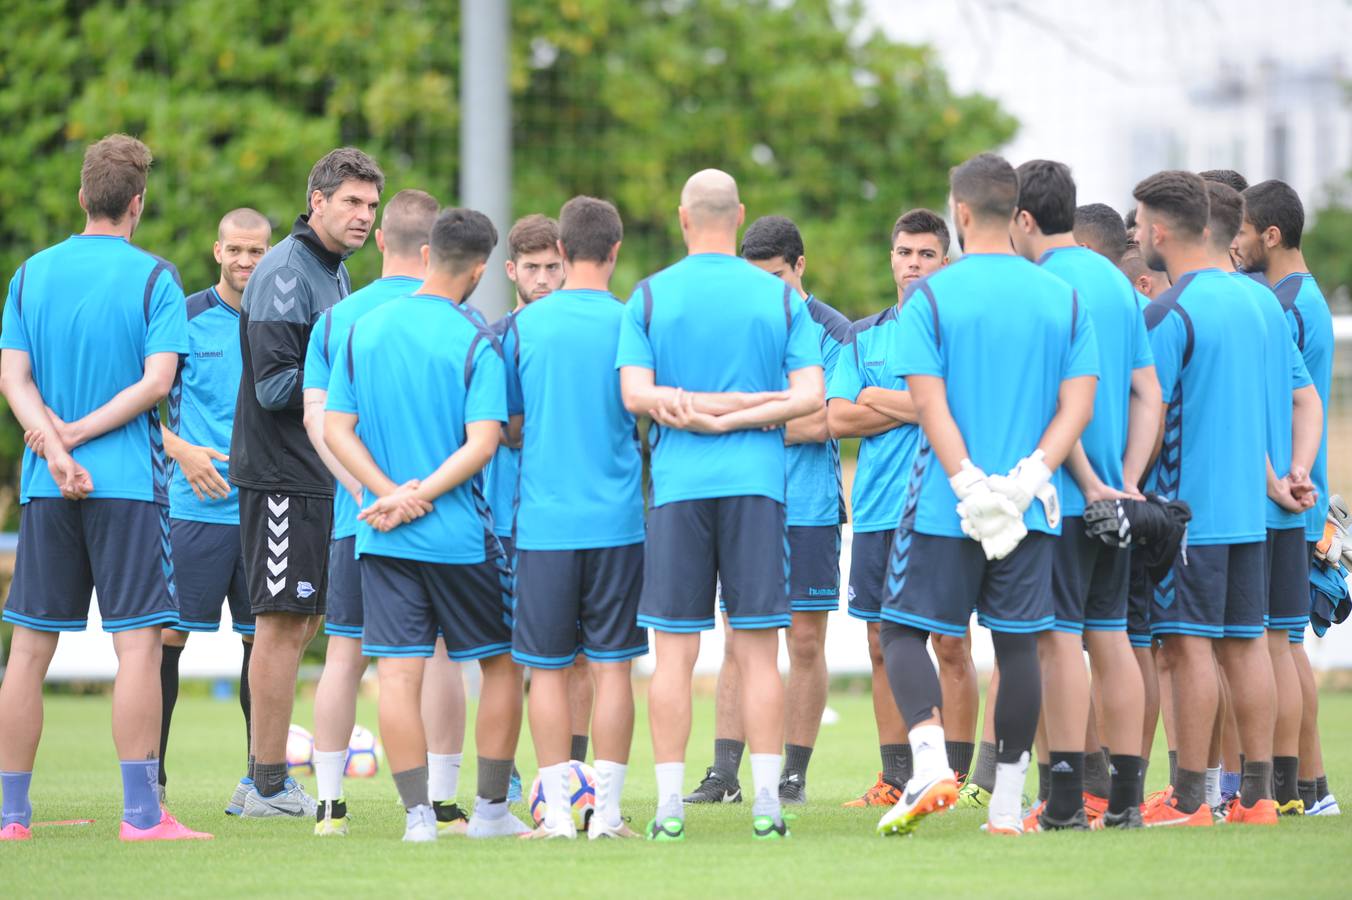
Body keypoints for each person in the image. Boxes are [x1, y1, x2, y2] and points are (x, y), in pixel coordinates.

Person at [875, 152, 1098, 838]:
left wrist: (967, 478)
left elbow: (928, 403)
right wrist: (1030, 477)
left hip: (950, 505)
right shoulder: (1061, 297)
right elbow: (1077, 405)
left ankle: (929, 758)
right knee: (1019, 646)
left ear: (961, 214)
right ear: (1018, 213)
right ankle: (1005, 806)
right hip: (1032, 510)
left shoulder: (932, 297)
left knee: (900, 630)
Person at [0, 134, 209, 841]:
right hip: (126, 486)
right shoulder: (156, 278)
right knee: (139, 649)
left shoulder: (30, 273)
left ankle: (11, 818)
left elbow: (13, 380)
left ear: (84, 197)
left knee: (27, 651)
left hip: (46, 486)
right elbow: (157, 382)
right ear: (137, 205)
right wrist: (82, 437)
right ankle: (141, 817)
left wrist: (54, 447)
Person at [616, 169, 824, 841]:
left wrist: (702, 411)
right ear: (739, 216)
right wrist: (743, 414)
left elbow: (636, 394)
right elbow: (810, 397)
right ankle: (767, 801)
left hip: (678, 490)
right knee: (760, 652)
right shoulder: (780, 299)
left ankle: (669, 804)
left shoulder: (649, 296)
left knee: (673, 656)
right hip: (757, 487)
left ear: (683, 217)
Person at [324, 207, 527, 842]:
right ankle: (490, 813)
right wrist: (422, 495)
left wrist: (388, 496)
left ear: (426, 253)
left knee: (398, 675)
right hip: (460, 536)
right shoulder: (476, 340)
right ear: (480, 267)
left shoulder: (365, 329)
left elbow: (335, 429)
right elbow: (483, 443)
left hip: (381, 535)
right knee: (498, 666)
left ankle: (418, 820)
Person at [302, 189, 470, 836]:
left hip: (359, 518)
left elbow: (319, 420)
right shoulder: (454, 316)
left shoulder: (338, 319)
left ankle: (330, 805)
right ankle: (445, 801)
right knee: (440, 656)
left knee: (345, 656)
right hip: (437, 517)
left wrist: (361, 491)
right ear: (436, 250)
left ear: (381, 241)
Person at [229, 147, 384, 817]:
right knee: (282, 623)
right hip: (283, 476)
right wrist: (355, 396)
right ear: (316, 200)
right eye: (351, 201)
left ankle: (266, 779)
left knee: (306, 619)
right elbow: (272, 386)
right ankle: (264, 784)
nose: (363, 215)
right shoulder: (288, 273)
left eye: (372, 206)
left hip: (319, 475)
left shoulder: (335, 273)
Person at [1010, 160, 1159, 830]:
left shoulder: (1040, 285)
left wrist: (1086, 478)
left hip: (1062, 501)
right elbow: (1147, 393)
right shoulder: (1116, 280)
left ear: (1022, 219)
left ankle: (1065, 800)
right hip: (1116, 503)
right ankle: (1125, 801)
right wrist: (1127, 479)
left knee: (1057, 642)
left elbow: (1058, 401)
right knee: (1112, 637)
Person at [685, 215, 850, 808]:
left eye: (777, 276)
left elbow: (829, 417)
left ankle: (794, 776)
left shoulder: (832, 330)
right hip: (746, 503)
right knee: (738, 641)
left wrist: (744, 422)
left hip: (809, 505)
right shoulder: (741, 320)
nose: (768, 289)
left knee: (804, 641)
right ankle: (723, 773)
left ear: (799, 267)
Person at [1134, 170, 1276, 827]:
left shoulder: (1171, 310)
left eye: (1139, 224)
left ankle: (1191, 798)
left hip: (1188, 515)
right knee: (1247, 645)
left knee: (1187, 647)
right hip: (1252, 511)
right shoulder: (1261, 302)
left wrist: (1124, 487)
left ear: (1159, 231)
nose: (1136, 235)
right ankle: (1258, 797)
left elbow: (1148, 411)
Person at [508, 196, 645, 839]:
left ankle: (558, 816)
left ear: (559, 252)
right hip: (619, 523)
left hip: (544, 525)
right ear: (615, 252)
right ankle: (608, 814)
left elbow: (505, 426)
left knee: (549, 670)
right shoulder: (634, 321)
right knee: (614, 668)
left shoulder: (523, 328)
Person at [825, 209, 957, 808]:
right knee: (880, 643)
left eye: (926, 254)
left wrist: (882, 397)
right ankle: (895, 777)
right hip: (878, 511)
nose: (913, 264)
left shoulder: (956, 329)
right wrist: (921, 402)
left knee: (951, 644)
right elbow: (839, 415)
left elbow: (957, 403)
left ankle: (959, 775)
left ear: (945, 262)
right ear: (891, 259)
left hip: (941, 508)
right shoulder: (862, 335)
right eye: (904, 252)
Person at [160, 208, 271, 811]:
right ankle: (151, 783)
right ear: (217, 250)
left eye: (256, 251)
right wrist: (180, 450)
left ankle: (262, 782)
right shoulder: (185, 316)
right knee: (168, 642)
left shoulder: (284, 319)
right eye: (236, 250)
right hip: (193, 509)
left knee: (265, 647)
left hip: (262, 512)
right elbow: (139, 400)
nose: (246, 262)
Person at [1235, 178, 1339, 817]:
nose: (1235, 243)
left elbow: (1288, 403)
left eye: (1242, 232)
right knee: (1283, 644)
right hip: (1295, 495)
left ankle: (1303, 788)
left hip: (1289, 498)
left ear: (1270, 235)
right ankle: (1308, 791)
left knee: (1282, 646)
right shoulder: (1293, 298)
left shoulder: (1290, 307)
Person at [485, 214, 593, 793]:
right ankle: (502, 779)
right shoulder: (495, 338)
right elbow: (504, 429)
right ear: (512, 271)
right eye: (534, 268)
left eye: (555, 266)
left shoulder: (589, 331)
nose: (546, 279)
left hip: (570, 518)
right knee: (507, 658)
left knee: (577, 657)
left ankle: (576, 777)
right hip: (505, 519)